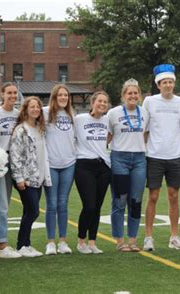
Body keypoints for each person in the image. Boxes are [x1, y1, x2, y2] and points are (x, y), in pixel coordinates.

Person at [143, 64, 180, 251]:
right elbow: (144, 129)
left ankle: (174, 237)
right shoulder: (149, 102)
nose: (168, 85)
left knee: (174, 196)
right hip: (154, 156)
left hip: (175, 156)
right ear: (158, 85)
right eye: (164, 82)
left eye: (170, 82)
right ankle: (148, 237)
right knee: (153, 196)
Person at [108, 79, 148, 252]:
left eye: (135, 93)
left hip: (139, 159)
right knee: (120, 200)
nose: (133, 96)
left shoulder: (145, 113)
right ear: (123, 95)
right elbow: (107, 136)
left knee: (136, 201)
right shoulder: (113, 113)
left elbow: (145, 135)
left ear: (139, 95)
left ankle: (132, 240)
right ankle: (119, 240)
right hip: (119, 159)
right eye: (129, 93)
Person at [10, 96, 51, 257]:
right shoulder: (21, 130)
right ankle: (21, 245)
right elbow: (15, 155)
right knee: (33, 211)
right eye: (32, 106)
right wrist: (19, 177)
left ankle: (25, 244)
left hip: (38, 177)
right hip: (25, 179)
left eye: (38, 107)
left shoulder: (40, 128)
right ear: (25, 109)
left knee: (29, 211)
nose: (35, 109)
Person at [74, 91, 111, 254]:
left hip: (103, 166)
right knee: (88, 205)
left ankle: (92, 242)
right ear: (92, 102)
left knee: (97, 206)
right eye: (99, 101)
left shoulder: (107, 120)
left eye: (105, 102)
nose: (102, 104)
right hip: (84, 165)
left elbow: (110, 135)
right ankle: (81, 241)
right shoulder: (80, 119)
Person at [0, 83, 22, 258]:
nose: (12, 96)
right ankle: (2, 245)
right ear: (2, 94)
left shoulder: (18, 114)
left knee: (5, 203)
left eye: (15, 93)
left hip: (13, 160)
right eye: (9, 93)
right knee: (0, 204)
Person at [43, 85, 75, 255]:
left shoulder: (72, 115)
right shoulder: (45, 112)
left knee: (63, 204)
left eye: (66, 95)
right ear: (54, 97)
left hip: (69, 164)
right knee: (52, 204)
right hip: (51, 165)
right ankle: (50, 242)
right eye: (60, 95)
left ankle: (62, 241)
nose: (63, 98)